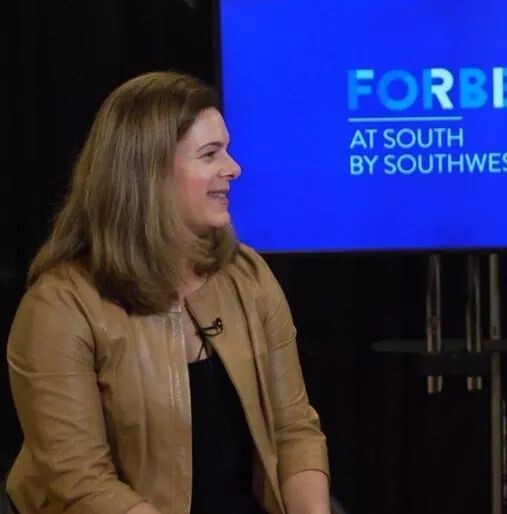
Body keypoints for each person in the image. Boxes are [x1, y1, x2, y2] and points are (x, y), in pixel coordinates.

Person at [5, 72, 330, 514]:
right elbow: (81, 485)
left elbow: (294, 431)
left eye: (227, 150)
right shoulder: (59, 307)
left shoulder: (247, 275)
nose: (234, 168)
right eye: (210, 154)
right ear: (149, 173)